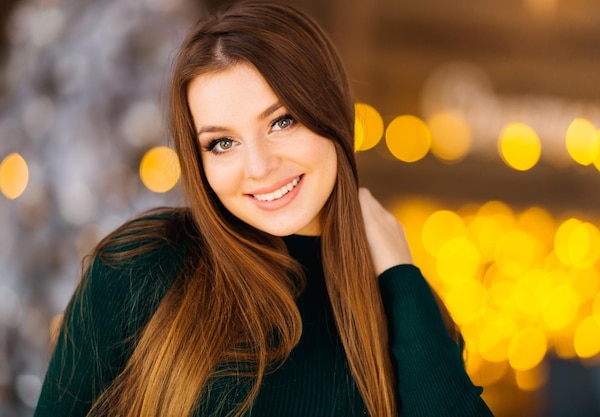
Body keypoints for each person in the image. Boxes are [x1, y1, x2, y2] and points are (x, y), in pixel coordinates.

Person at [34, 1, 495, 416]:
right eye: (222, 143)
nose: (258, 167)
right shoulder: (141, 268)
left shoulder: (404, 308)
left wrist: (399, 275)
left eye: (282, 121)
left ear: (331, 112)